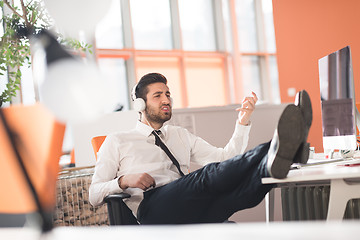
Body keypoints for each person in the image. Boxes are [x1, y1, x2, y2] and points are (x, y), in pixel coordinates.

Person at [89, 72, 312, 224]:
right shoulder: (118, 140)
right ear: (140, 104)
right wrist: (124, 181)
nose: (166, 99)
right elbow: (94, 194)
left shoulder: (179, 135)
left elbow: (225, 159)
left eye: (167, 94)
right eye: (157, 96)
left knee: (239, 195)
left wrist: (242, 122)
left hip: (188, 203)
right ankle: (282, 146)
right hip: (153, 210)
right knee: (204, 177)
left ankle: (282, 156)